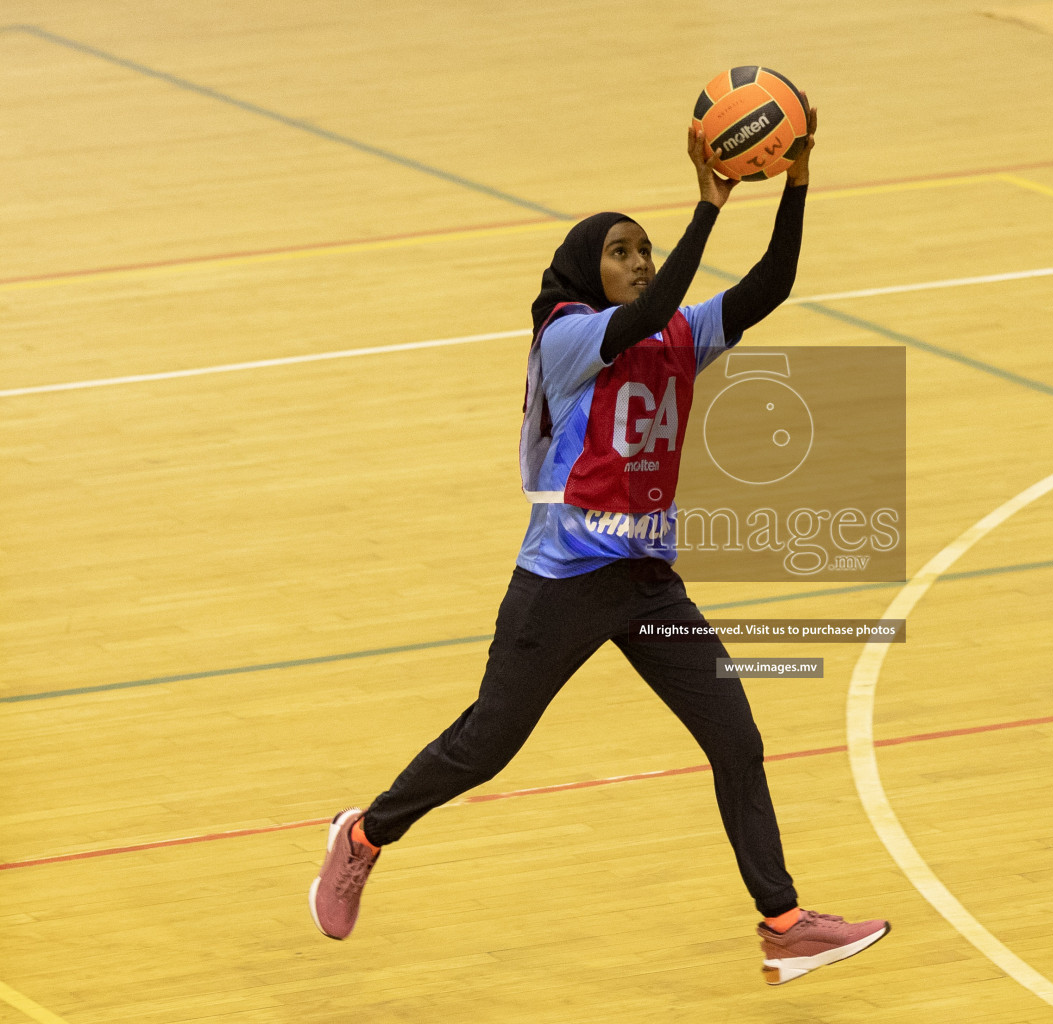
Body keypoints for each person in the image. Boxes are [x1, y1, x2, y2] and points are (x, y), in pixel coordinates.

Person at [308, 100, 889, 986]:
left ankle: (782, 922)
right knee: (486, 745)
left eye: (644, 249)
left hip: (650, 582)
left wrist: (795, 181)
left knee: (735, 737)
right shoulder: (569, 337)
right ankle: (364, 834)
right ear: (588, 268)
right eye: (621, 250)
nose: (639, 264)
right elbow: (647, 309)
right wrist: (709, 205)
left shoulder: (682, 337)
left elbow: (768, 286)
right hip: (562, 581)